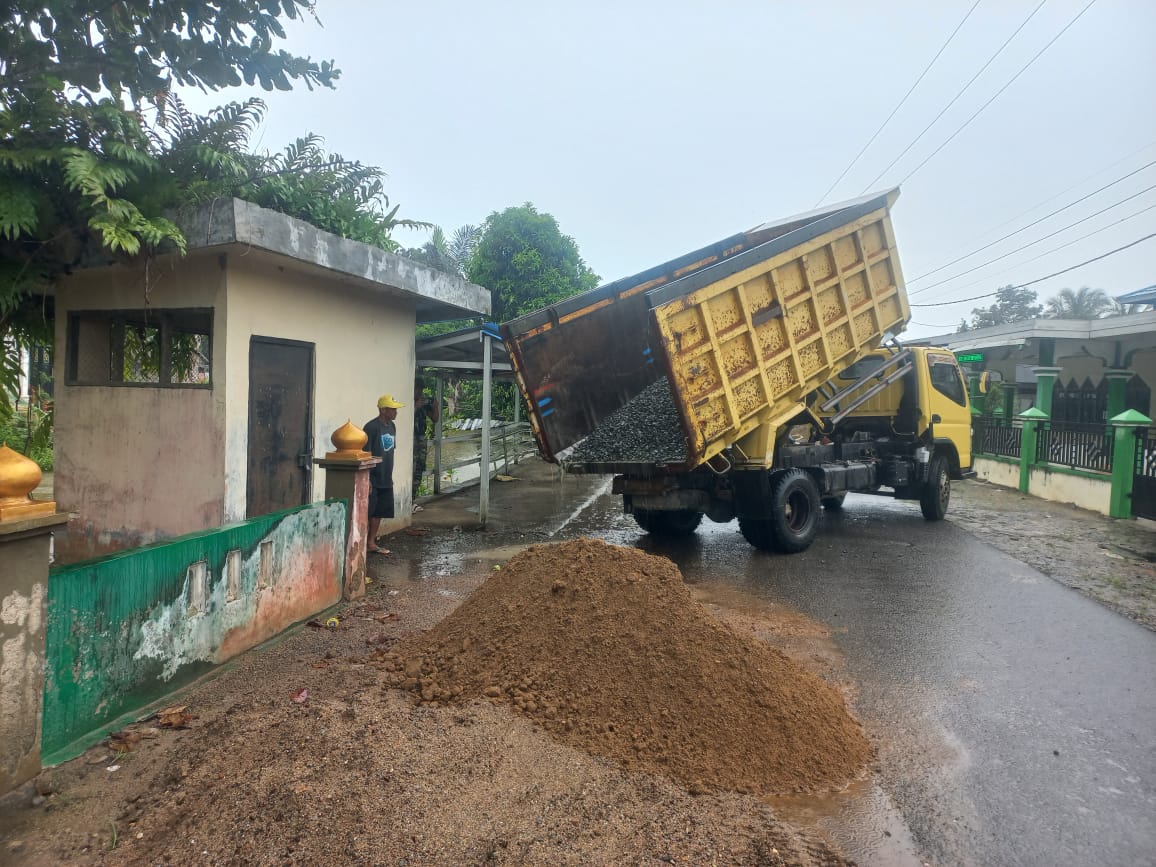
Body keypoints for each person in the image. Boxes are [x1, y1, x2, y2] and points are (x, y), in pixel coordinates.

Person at [364, 392, 404, 554]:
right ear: (383, 410)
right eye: (392, 409)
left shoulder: (392, 427)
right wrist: (368, 480)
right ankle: (362, 543)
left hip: (386, 476)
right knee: (368, 511)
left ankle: (371, 542)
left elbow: (390, 450)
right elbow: (365, 454)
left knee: (379, 511)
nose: (396, 412)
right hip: (373, 476)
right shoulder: (371, 427)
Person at [411, 380, 439, 512]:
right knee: (411, 467)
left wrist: (435, 407)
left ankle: (412, 500)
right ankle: (408, 500)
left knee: (420, 468)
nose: (420, 392)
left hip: (421, 438)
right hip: (410, 438)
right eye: (419, 388)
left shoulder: (424, 401)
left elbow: (435, 419)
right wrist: (415, 406)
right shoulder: (406, 399)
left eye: (422, 389)